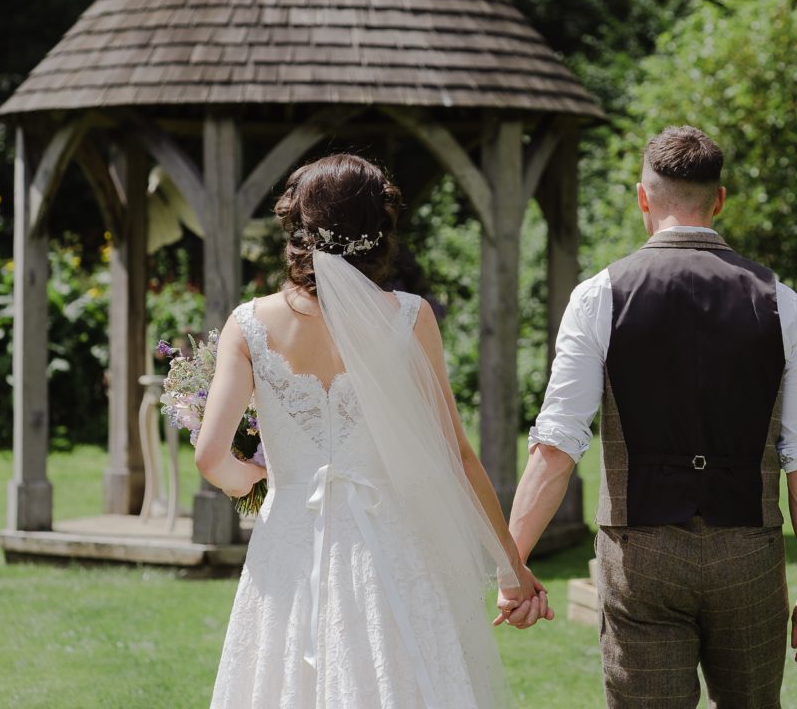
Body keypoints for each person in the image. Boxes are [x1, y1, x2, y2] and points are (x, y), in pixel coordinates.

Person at [195, 153, 550, 709]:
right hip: (390, 550)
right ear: (376, 231)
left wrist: (256, 480)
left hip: (289, 546)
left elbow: (210, 457)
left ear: (297, 228)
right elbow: (456, 456)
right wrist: (512, 570)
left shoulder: (247, 325)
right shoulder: (410, 317)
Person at [506, 126, 797, 708]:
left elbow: (557, 446)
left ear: (643, 198)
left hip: (641, 559)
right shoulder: (781, 301)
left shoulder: (598, 296)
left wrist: (513, 565)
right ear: (720, 199)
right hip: (750, 556)